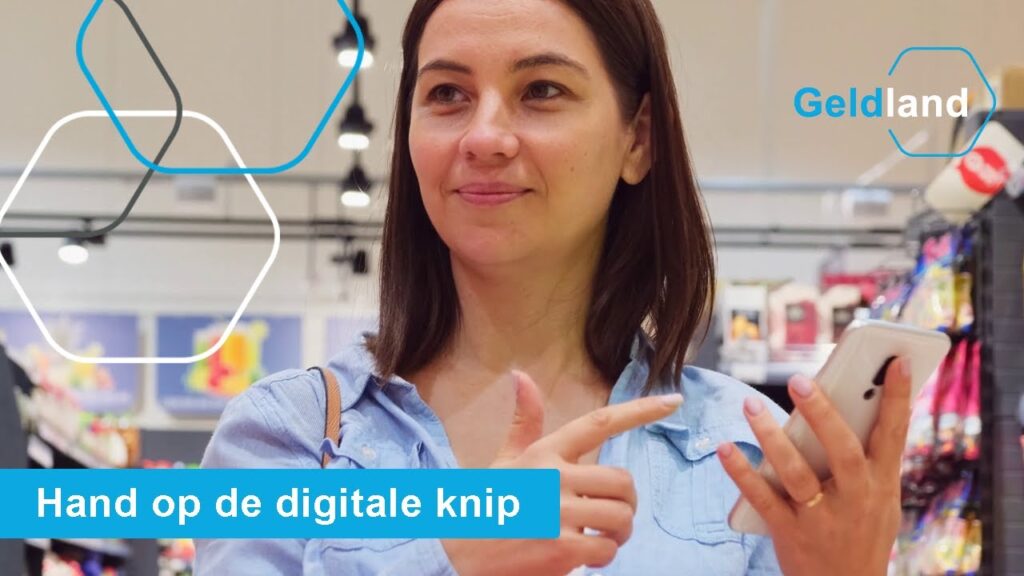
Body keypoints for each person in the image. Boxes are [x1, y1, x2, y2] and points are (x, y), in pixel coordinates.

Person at [197, 1, 913, 574]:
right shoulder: (288, 438)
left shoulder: (746, 451)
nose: (484, 136)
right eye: (447, 94)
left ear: (638, 139)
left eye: (542, 90)